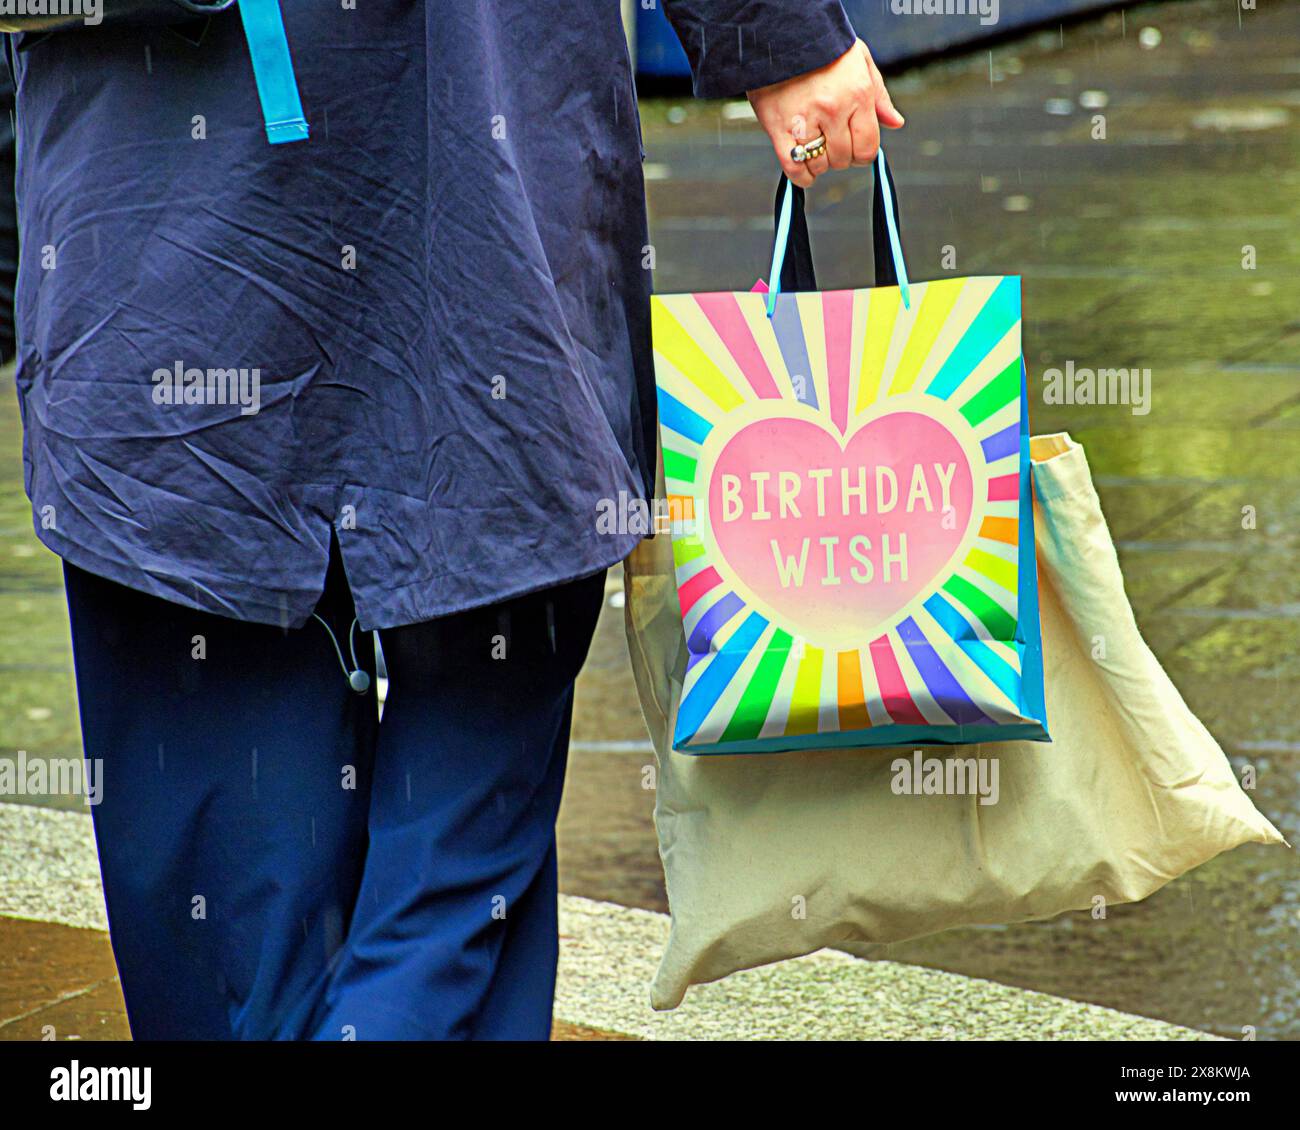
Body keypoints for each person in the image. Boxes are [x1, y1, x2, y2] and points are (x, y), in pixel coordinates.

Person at [7, 1, 902, 1039]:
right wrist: (779, 35)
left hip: (322, 242)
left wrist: (774, 31)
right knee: (411, 890)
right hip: (392, 229)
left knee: (294, 898)